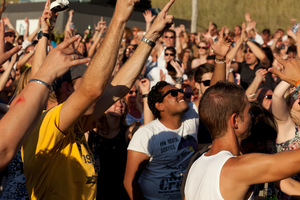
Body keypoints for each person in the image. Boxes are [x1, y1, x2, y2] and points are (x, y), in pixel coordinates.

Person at [22, 0, 177, 199]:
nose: (93, 86)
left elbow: (118, 87)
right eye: (83, 82)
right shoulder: (48, 124)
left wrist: (151, 36)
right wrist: (120, 18)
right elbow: (93, 89)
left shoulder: (74, 125)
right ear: (67, 88)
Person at [183, 78, 300, 199]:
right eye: (249, 112)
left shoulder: (196, 165)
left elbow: (289, 184)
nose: (252, 116)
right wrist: (297, 78)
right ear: (235, 120)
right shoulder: (237, 168)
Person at [124, 80, 199, 200]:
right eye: (173, 93)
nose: (181, 94)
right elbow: (129, 181)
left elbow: (214, 93)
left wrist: (220, 60)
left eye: (180, 91)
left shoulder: (191, 116)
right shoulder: (146, 134)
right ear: (160, 105)